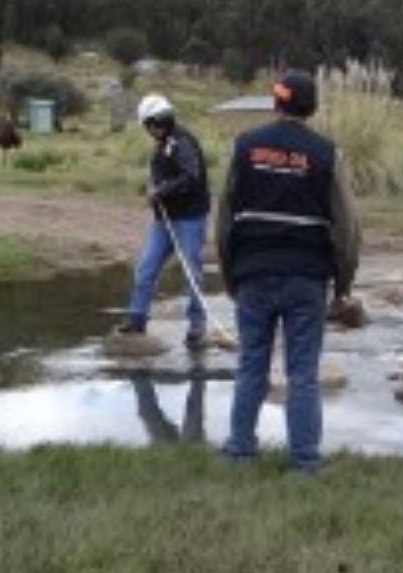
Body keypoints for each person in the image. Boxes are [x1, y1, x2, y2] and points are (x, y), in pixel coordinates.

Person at [216, 69, 361, 473]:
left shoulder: (243, 147)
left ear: (277, 102)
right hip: (307, 278)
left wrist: (231, 275)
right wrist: (343, 284)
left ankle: (240, 451)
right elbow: (347, 227)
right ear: (311, 106)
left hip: (253, 274)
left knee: (251, 364)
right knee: (302, 373)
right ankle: (305, 462)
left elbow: (224, 220)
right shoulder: (327, 153)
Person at [118, 94, 212, 348]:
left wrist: (161, 191)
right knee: (146, 268)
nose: (149, 131)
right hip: (165, 220)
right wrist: (155, 189)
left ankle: (197, 325)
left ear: (157, 121)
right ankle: (137, 319)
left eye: (149, 125)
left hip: (190, 218)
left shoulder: (182, 143)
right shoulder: (163, 144)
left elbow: (191, 177)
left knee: (192, 272)